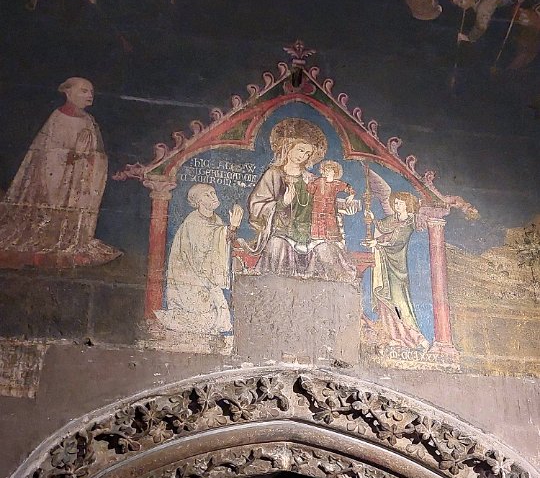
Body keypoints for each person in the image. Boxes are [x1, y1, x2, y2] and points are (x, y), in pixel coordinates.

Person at [0, 77, 120, 267]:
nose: (89, 95)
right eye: (84, 91)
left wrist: (90, 159)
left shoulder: (89, 121)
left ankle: (72, 242)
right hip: (57, 179)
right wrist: (72, 156)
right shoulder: (57, 118)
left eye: (91, 91)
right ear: (68, 92)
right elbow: (46, 154)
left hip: (79, 180)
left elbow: (98, 154)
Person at [247, 118, 356, 281]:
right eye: (300, 150)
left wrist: (343, 206)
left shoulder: (311, 179)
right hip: (283, 233)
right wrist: (282, 202)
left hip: (311, 234)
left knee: (328, 251)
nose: (303, 156)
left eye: (307, 153)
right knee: (277, 247)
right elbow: (256, 206)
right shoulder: (274, 174)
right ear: (288, 146)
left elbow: (323, 202)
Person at [155, 183, 243, 337]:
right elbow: (201, 251)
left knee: (220, 318)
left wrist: (232, 229)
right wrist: (231, 228)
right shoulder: (193, 221)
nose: (213, 197)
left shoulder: (217, 220)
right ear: (198, 201)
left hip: (206, 279)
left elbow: (222, 241)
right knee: (206, 319)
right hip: (191, 280)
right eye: (207, 195)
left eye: (213, 193)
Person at [364, 169, 429, 350]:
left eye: (400, 203)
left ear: (407, 205)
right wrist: (371, 219)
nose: (397, 205)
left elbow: (397, 241)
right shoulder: (392, 219)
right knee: (384, 299)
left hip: (397, 268)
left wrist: (377, 242)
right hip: (385, 264)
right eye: (396, 203)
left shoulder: (410, 222)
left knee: (400, 302)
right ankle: (392, 336)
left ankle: (414, 337)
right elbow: (381, 228)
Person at [450, 0, 540, 43]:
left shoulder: (484, 6)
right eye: (458, 4)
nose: (460, 5)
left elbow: (481, 25)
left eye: (461, 1)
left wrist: (470, 37)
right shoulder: (481, 4)